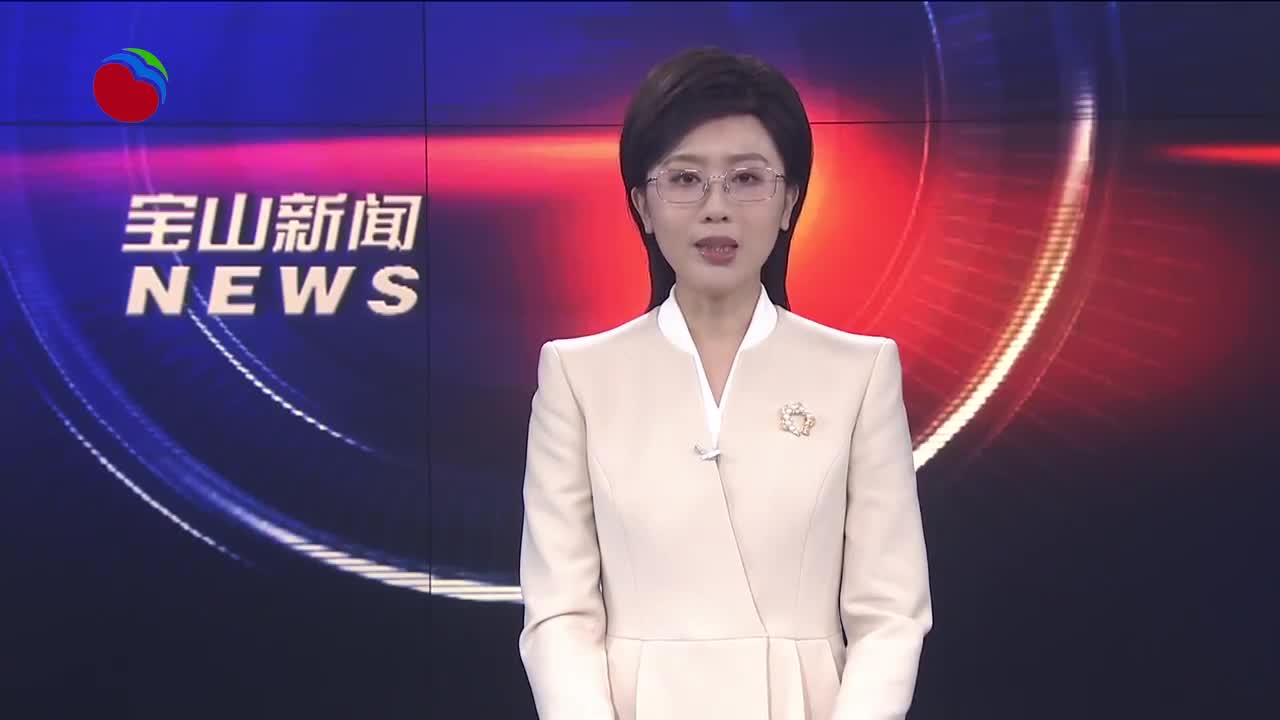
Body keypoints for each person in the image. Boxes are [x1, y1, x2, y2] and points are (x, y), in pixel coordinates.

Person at [517, 46, 932, 720]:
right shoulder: (578, 376)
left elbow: (889, 615)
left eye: (746, 179)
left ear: (789, 200)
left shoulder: (859, 372)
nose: (717, 208)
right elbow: (559, 614)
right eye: (685, 179)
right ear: (642, 205)